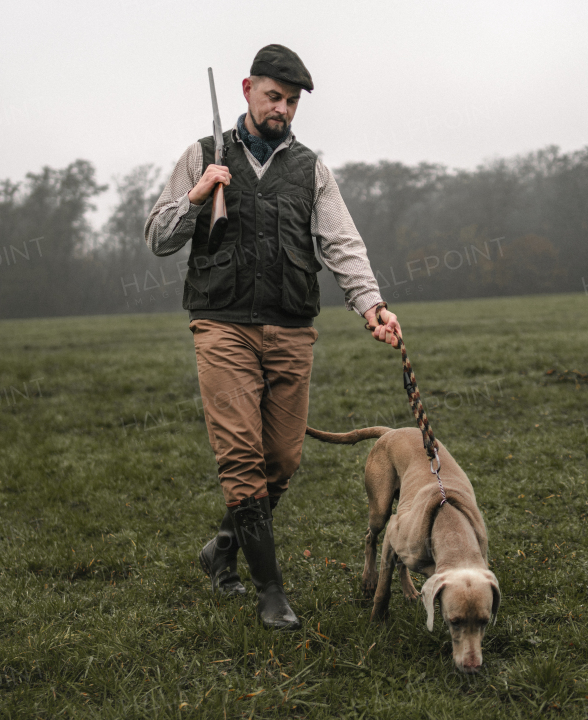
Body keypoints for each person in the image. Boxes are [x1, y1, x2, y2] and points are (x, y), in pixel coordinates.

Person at [144, 44, 401, 631]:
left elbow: (342, 243)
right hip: (222, 325)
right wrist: (196, 194)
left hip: (290, 328)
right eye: (273, 97)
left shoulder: (311, 168)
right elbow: (158, 237)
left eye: (291, 102)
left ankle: (223, 550)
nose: (282, 109)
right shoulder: (201, 154)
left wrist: (372, 306)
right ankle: (271, 592)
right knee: (240, 460)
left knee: (281, 461)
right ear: (246, 90)